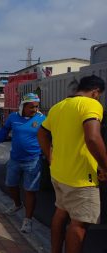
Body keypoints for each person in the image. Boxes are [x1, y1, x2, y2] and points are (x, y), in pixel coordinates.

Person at [37, 75, 107, 253]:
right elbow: (92, 137)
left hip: (59, 174)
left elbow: (42, 133)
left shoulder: (58, 107)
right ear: (95, 92)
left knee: (60, 213)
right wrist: (105, 166)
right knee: (79, 224)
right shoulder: (91, 104)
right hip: (81, 178)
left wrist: (50, 158)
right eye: (98, 95)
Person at [0, 93, 45, 233]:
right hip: (15, 159)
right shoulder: (13, 118)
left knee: (30, 190)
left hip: (33, 160)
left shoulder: (42, 119)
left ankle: (28, 220)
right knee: (11, 185)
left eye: (36, 106)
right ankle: (17, 204)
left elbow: (50, 137)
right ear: (23, 106)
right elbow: (3, 133)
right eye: (31, 107)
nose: (34, 109)